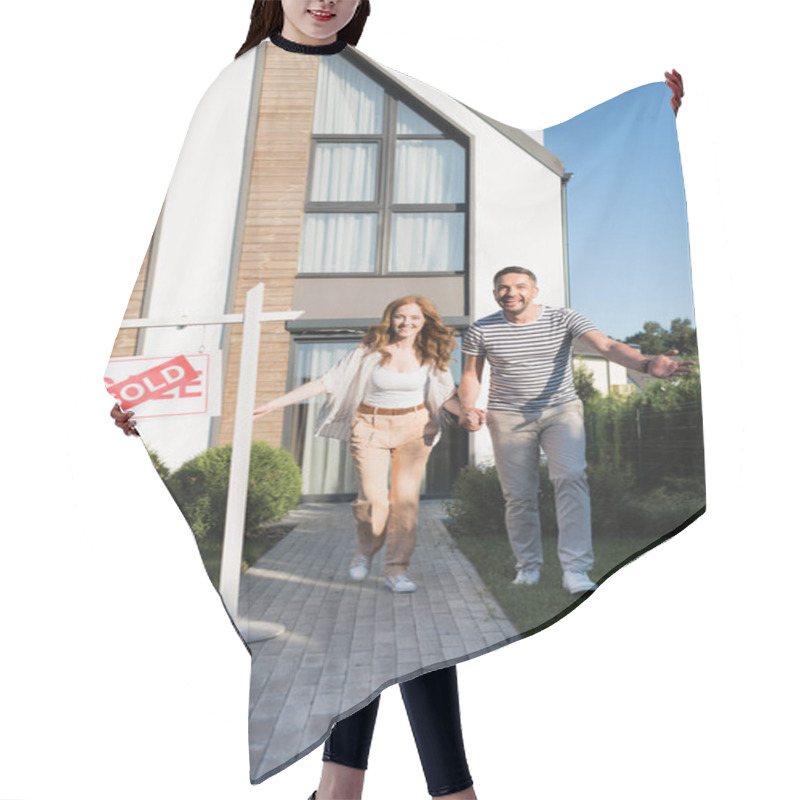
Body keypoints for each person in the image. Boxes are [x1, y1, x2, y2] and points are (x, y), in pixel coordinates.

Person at [458, 267, 694, 593]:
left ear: (535, 291)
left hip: (560, 412)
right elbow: (471, 375)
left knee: (570, 479)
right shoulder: (481, 330)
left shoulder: (564, 318)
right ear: (495, 292)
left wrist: (644, 363)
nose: (511, 292)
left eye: (519, 286)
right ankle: (527, 567)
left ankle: (575, 569)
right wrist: (469, 407)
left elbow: (607, 346)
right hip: (508, 416)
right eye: (503, 288)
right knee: (518, 495)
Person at [254, 295, 461, 593]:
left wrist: (469, 414)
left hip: (415, 430)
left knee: (405, 504)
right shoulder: (369, 352)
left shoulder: (430, 355)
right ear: (390, 318)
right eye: (400, 316)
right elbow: (326, 382)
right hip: (370, 427)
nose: (406, 323)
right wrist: (276, 403)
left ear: (424, 321)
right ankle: (365, 550)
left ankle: (396, 570)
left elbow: (444, 396)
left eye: (414, 318)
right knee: (372, 500)